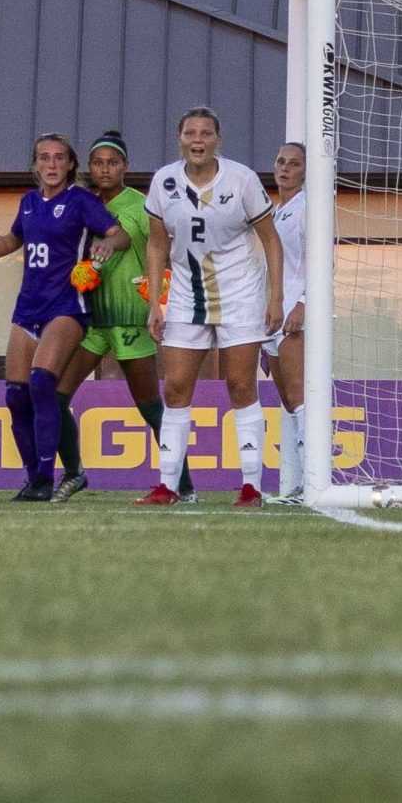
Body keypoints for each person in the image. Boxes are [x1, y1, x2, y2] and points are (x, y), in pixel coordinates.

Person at [0, 134, 128, 501]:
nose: (52, 164)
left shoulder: (81, 201)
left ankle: (47, 477)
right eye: (44, 158)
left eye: (59, 158)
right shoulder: (28, 203)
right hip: (28, 307)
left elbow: (122, 236)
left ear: (70, 164)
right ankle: (34, 479)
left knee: (42, 383)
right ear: (35, 165)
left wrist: (106, 244)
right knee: (15, 396)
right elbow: (11, 240)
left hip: (68, 305)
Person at [139, 108, 283, 508]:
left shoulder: (242, 180)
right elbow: (156, 243)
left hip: (240, 293)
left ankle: (251, 485)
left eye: (205, 133)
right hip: (186, 294)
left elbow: (271, 239)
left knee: (240, 384)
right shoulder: (163, 182)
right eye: (190, 133)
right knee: (177, 385)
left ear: (218, 139)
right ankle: (168, 485)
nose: (197, 140)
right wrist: (156, 301)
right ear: (179, 138)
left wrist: (276, 296)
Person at [49, 131, 188, 503]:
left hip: (129, 318)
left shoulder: (140, 204)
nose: (105, 168)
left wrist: (112, 244)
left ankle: (183, 485)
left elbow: (129, 238)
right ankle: (75, 473)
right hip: (92, 320)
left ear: (125, 166)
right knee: (56, 396)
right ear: (89, 167)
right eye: (98, 162)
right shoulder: (83, 203)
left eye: (113, 162)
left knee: (149, 407)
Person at [260, 141, 311, 505]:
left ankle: (314, 481)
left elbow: (323, 260)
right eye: (280, 161)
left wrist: (304, 304)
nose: (285, 168)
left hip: (294, 314)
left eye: (294, 163)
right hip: (272, 318)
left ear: (307, 170)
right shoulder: (278, 211)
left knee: (299, 396)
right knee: (286, 401)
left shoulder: (309, 208)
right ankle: (294, 485)